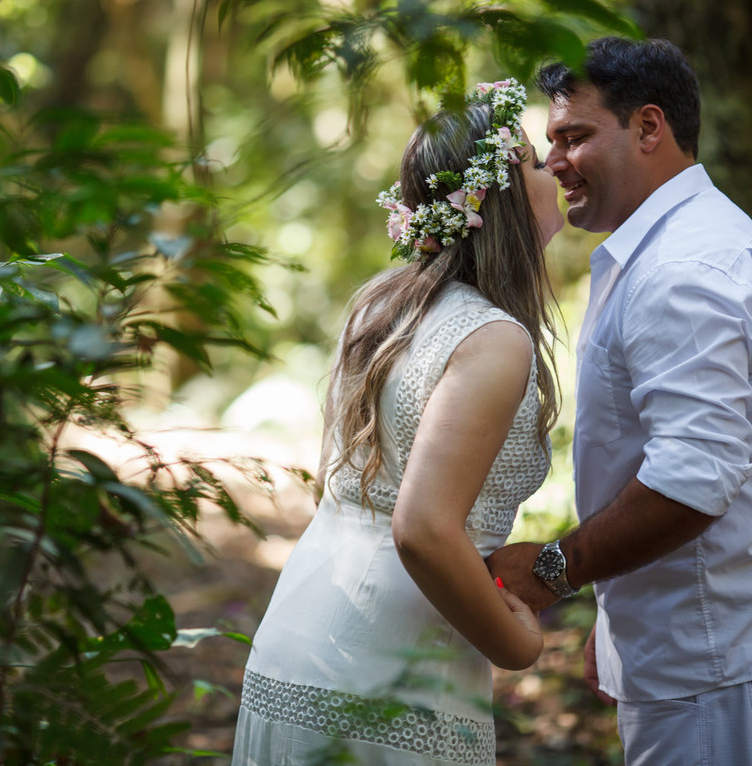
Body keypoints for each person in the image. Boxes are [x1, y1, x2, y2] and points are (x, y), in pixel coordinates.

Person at [488, 38, 752, 765]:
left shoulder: (684, 267)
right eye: (551, 142)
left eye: (575, 137)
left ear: (650, 128)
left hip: (738, 666)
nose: (556, 161)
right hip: (724, 645)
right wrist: (621, 622)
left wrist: (553, 570)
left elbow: (692, 481)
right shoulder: (670, 244)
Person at [231, 79, 565, 765]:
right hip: (391, 669)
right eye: (535, 160)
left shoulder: (382, 303)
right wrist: (517, 643)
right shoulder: (494, 339)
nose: (555, 167)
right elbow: (423, 527)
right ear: (498, 193)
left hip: (296, 637)